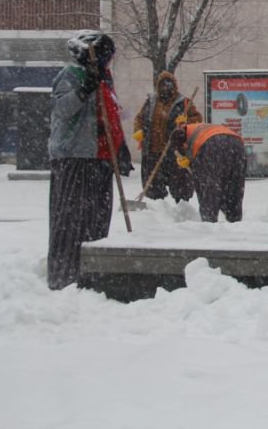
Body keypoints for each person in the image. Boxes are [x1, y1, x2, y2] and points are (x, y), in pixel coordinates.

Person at [47, 30, 133, 290]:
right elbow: (62, 110)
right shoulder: (72, 75)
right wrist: (85, 89)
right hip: (77, 158)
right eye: (106, 55)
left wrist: (120, 147)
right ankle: (67, 274)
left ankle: (92, 274)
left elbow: (111, 114)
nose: (108, 60)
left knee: (96, 218)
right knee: (73, 219)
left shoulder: (105, 79)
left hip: (101, 160)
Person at [132, 71, 201, 201]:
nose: (166, 87)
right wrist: (138, 130)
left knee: (180, 186)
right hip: (153, 151)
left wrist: (186, 122)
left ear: (174, 86)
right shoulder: (151, 102)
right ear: (158, 86)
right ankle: (158, 210)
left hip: (175, 152)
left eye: (169, 84)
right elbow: (140, 118)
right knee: (153, 187)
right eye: (163, 84)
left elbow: (197, 119)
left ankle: (181, 210)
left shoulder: (184, 102)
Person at [169, 123, 246, 222]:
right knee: (235, 185)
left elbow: (200, 181)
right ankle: (234, 219)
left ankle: (209, 222)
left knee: (208, 187)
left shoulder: (183, 135)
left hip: (213, 145)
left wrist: (185, 157)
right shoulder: (198, 128)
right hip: (237, 144)